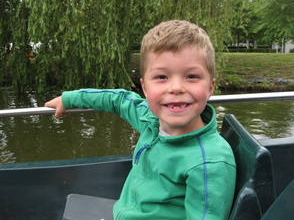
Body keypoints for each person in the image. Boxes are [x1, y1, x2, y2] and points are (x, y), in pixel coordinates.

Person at [45, 20, 236, 220]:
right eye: (162, 77)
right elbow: (117, 99)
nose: (176, 88)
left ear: (210, 87)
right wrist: (69, 99)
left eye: (192, 76)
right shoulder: (150, 119)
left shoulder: (208, 163)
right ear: (145, 88)